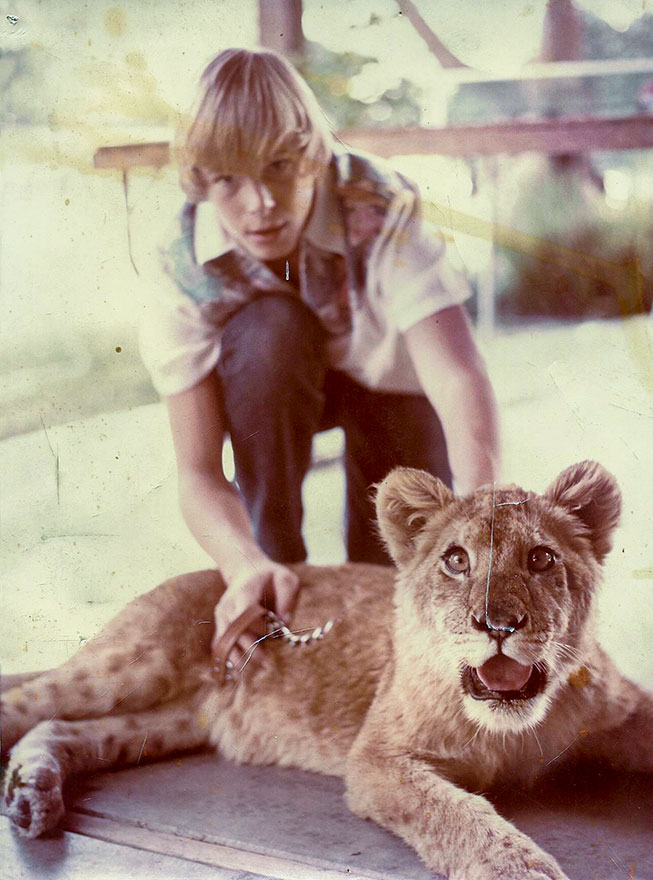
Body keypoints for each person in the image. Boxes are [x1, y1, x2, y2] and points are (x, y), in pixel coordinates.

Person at [140, 48, 499, 673]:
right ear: (203, 179)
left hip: (391, 387)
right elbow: (196, 470)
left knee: (391, 582)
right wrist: (241, 561)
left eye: (279, 167)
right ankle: (275, 560)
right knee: (269, 331)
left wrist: (483, 507)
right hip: (271, 387)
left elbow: (455, 372)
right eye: (229, 179)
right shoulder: (180, 259)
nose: (260, 204)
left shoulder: (380, 203)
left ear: (312, 156)